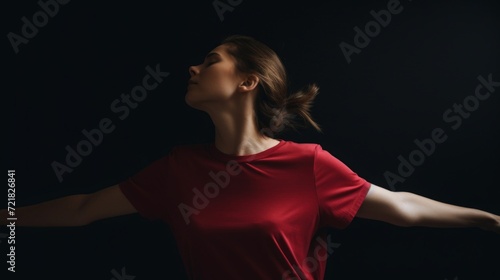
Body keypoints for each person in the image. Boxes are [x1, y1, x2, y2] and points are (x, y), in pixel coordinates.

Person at [2, 35, 499, 280]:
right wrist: (7, 218)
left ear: (247, 81)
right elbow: (84, 207)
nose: (194, 67)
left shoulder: (307, 165)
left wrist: (488, 221)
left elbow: (403, 207)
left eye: (212, 60)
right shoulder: (178, 170)